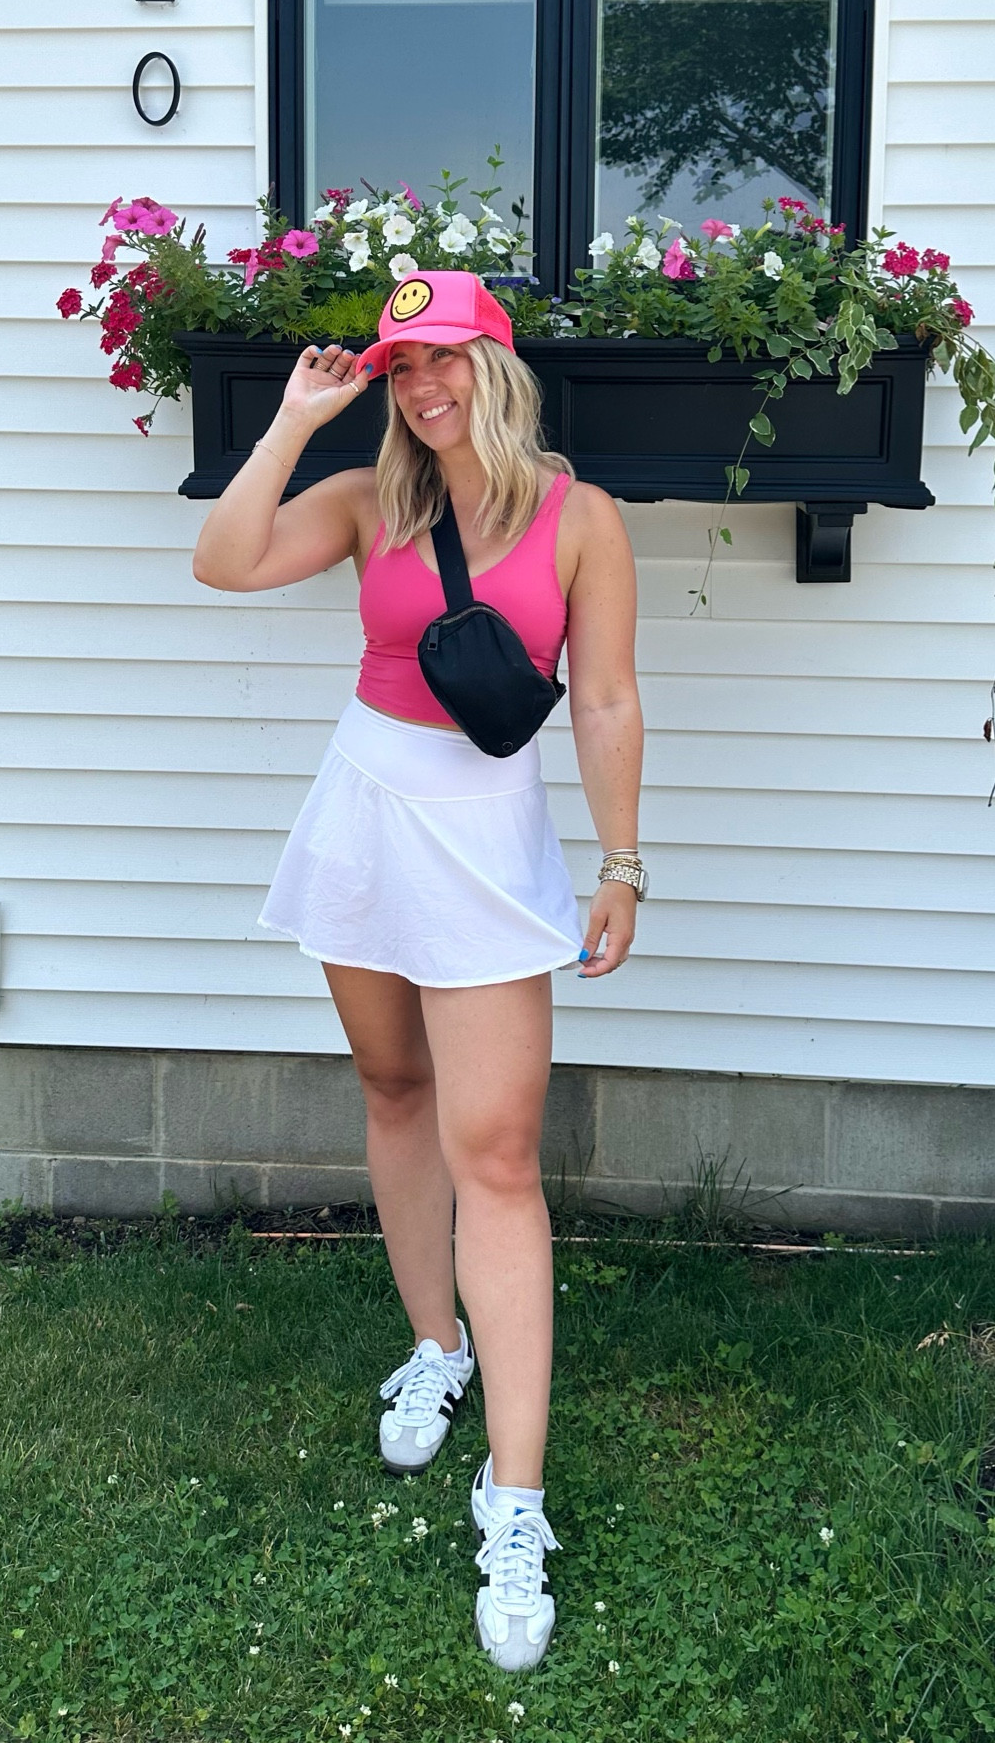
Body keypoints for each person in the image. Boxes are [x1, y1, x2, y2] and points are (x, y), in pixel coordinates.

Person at [193, 270, 644, 1672]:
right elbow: (223, 560)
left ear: (496, 367)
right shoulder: (367, 501)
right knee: (394, 1090)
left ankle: (517, 1498)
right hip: (366, 815)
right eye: (401, 367)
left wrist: (622, 863)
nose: (423, 385)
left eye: (443, 357)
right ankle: (435, 1347)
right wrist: (293, 418)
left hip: (486, 839)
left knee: (495, 1153)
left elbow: (607, 696)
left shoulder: (582, 519)